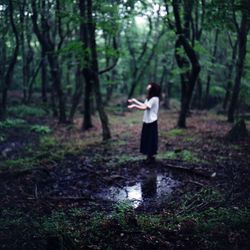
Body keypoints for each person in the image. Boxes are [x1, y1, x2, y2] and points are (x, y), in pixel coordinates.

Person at [128, 82, 161, 163]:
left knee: (151, 139)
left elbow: (145, 108)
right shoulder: (149, 98)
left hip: (152, 121)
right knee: (146, 138)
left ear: (152, 88)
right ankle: (149, 157)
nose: (148, 85)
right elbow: (144, 105)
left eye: (149, 85)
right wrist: (134, 101)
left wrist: (134, 106)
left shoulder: (155, 98)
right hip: (146, 121)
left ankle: (150, 157)